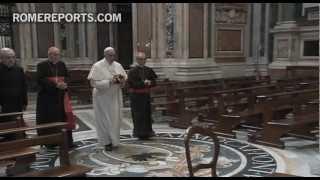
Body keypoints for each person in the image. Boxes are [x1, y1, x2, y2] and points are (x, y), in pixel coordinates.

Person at [87, 47, 127, 151]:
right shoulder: (97, 66)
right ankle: (106, 142)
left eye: (114, 55)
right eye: (110, 55)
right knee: (104, 120)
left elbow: (124, 78)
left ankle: (115, 140)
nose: (112, 57)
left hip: (115, 96)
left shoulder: (118, 65)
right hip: (102, 97)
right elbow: (93, 83)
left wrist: (122, 81)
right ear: (105, 55)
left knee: (116, 119)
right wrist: (109, 82)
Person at [35, 47, 75, 149]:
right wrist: (55, 85)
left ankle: (67, 141)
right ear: (48, 55)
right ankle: (50, 142)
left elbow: (67, 77)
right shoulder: (41, 65)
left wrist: (65, 84)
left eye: (57, 54)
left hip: (61, 98)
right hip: (47, 98)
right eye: (52, 54)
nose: (55, 56)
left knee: (63, 118)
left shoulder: (62, 64)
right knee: (50, 119)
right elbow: (40, 80)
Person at [127, 51, 158, 140]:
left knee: (147, 114)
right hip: (136, 96)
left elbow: (154, 82)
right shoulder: (132, 71)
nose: (142, 61)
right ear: (137, 60)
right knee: (138, 115)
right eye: (140, 59)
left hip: (146, 96)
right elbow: (132, 84)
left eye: (144, 59)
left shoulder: (149, 70)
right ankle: (138, 132)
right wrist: (144, 83)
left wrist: (150, 82)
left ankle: (148, 132)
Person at [0, 48, 28, 140]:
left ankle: (20, 140)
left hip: (17, 103)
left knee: (18, 123)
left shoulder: (19, 69)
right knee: (6, 127)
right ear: (2, 58)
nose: (11, 60)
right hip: (3, 104)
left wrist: (25, 102)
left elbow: (24, 87)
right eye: (8, 57)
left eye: (13, 57)